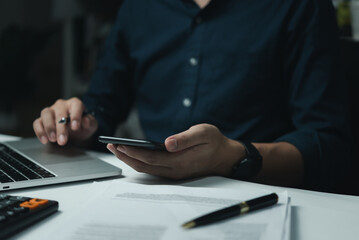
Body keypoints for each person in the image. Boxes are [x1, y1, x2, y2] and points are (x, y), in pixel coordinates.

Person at [33, 0, 352, 192]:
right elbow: (104, 100)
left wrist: (232, 156)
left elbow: (327, 144)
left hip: (259, 196)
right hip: (149, 194)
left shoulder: (299, 6)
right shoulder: (140, 7)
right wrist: (78, 122)